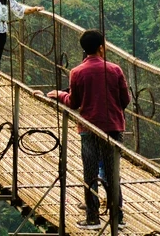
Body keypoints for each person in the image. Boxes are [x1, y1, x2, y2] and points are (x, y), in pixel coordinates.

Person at [45, 29, 130, 229]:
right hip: (113, 128)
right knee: (112, 171)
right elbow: (125, 100)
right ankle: (117, 217)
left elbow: (73, 102)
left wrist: (59, 95)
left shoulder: (77, 72)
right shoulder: (115, 70)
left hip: (89, 129)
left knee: (90, 172)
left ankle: (93, 218)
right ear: (101, 47)